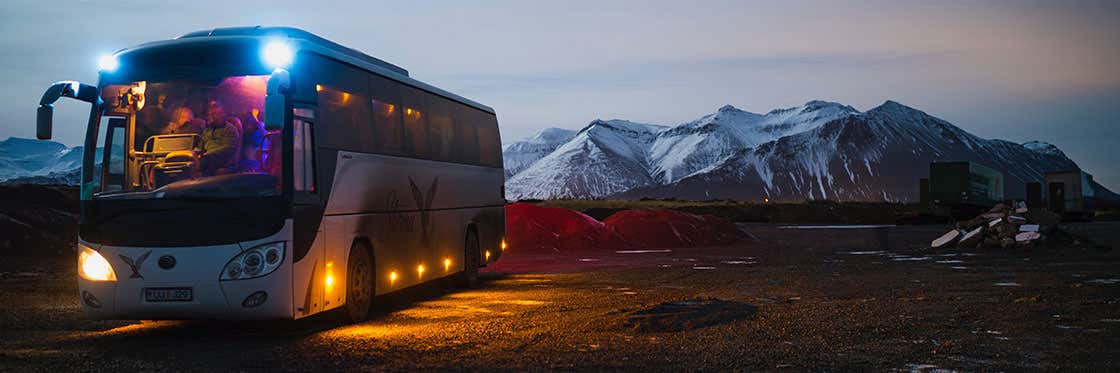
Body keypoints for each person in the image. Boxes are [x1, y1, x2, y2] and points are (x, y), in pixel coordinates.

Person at [198, 100, 241, 175]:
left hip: (222, 159)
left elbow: (228, 147)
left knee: (204, 162)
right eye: (208, 115)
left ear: (219, 115)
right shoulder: (207, 130)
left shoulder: (229, 129)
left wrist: (209, 153)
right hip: (207, 157)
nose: (208, 117)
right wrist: (196, 152)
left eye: (212, 115)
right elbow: (201, 144)